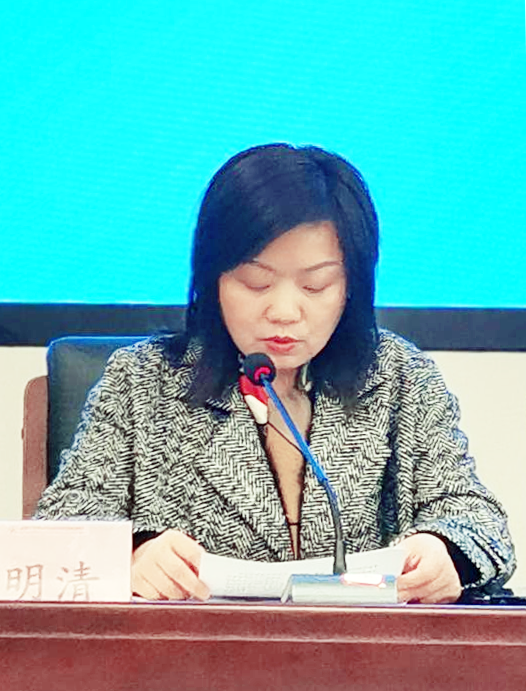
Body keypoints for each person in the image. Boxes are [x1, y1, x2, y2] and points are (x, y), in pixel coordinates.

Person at [36, 143, 516, 603]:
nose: (284, 312)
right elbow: (61, 524)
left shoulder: (399, 378)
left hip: (359, 652)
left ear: (351, 286)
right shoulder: (143, 381)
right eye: (256, 282)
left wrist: (445, 553)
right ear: (213, 280)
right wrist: (133, 554)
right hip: (191, 652)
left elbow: (477, 520)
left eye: (316, 285)